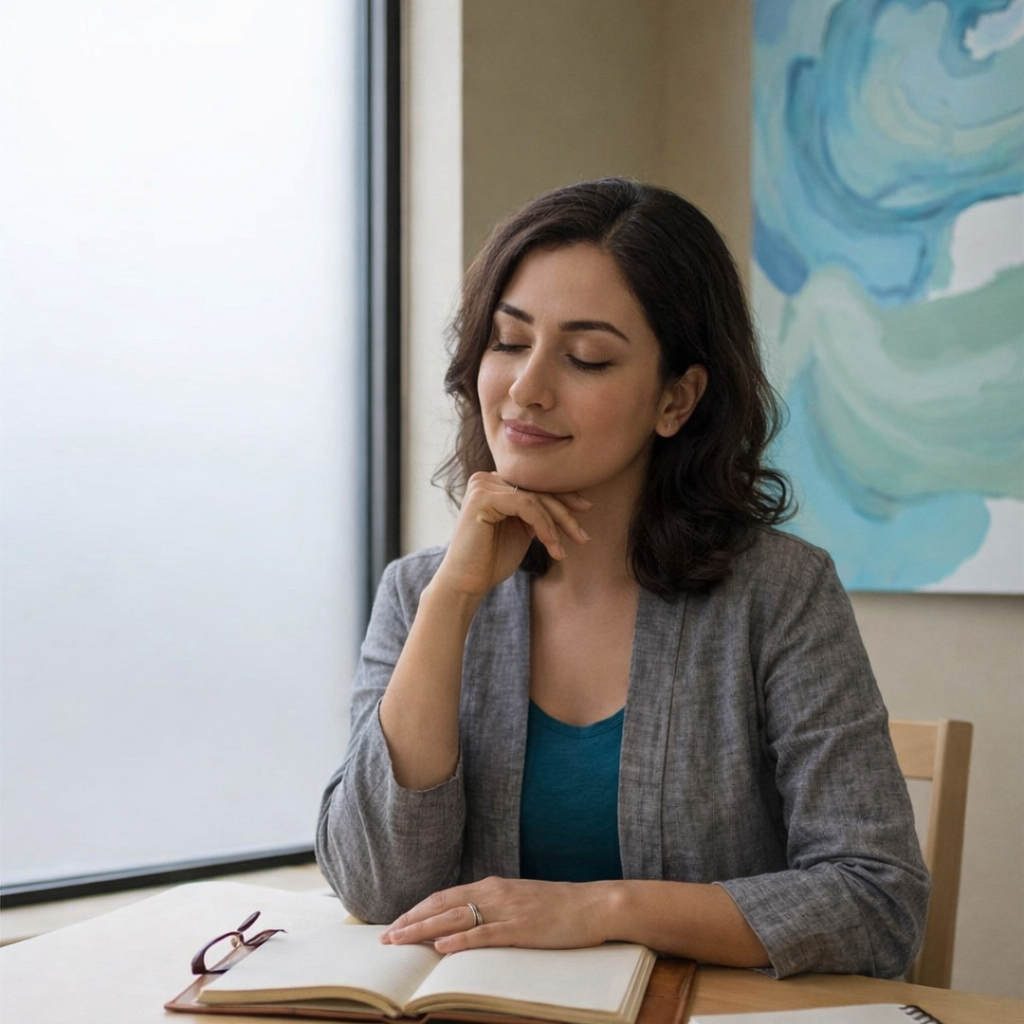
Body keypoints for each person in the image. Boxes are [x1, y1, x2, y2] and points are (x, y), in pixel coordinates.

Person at [315, 178, 930, 979]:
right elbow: (374, 886)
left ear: (676, 399)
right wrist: (451, 604)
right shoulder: (418, 593)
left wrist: (597, 909)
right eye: (508, 341)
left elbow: (877, 902)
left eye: (586, 357)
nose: (527, 389)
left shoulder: (780, 593)